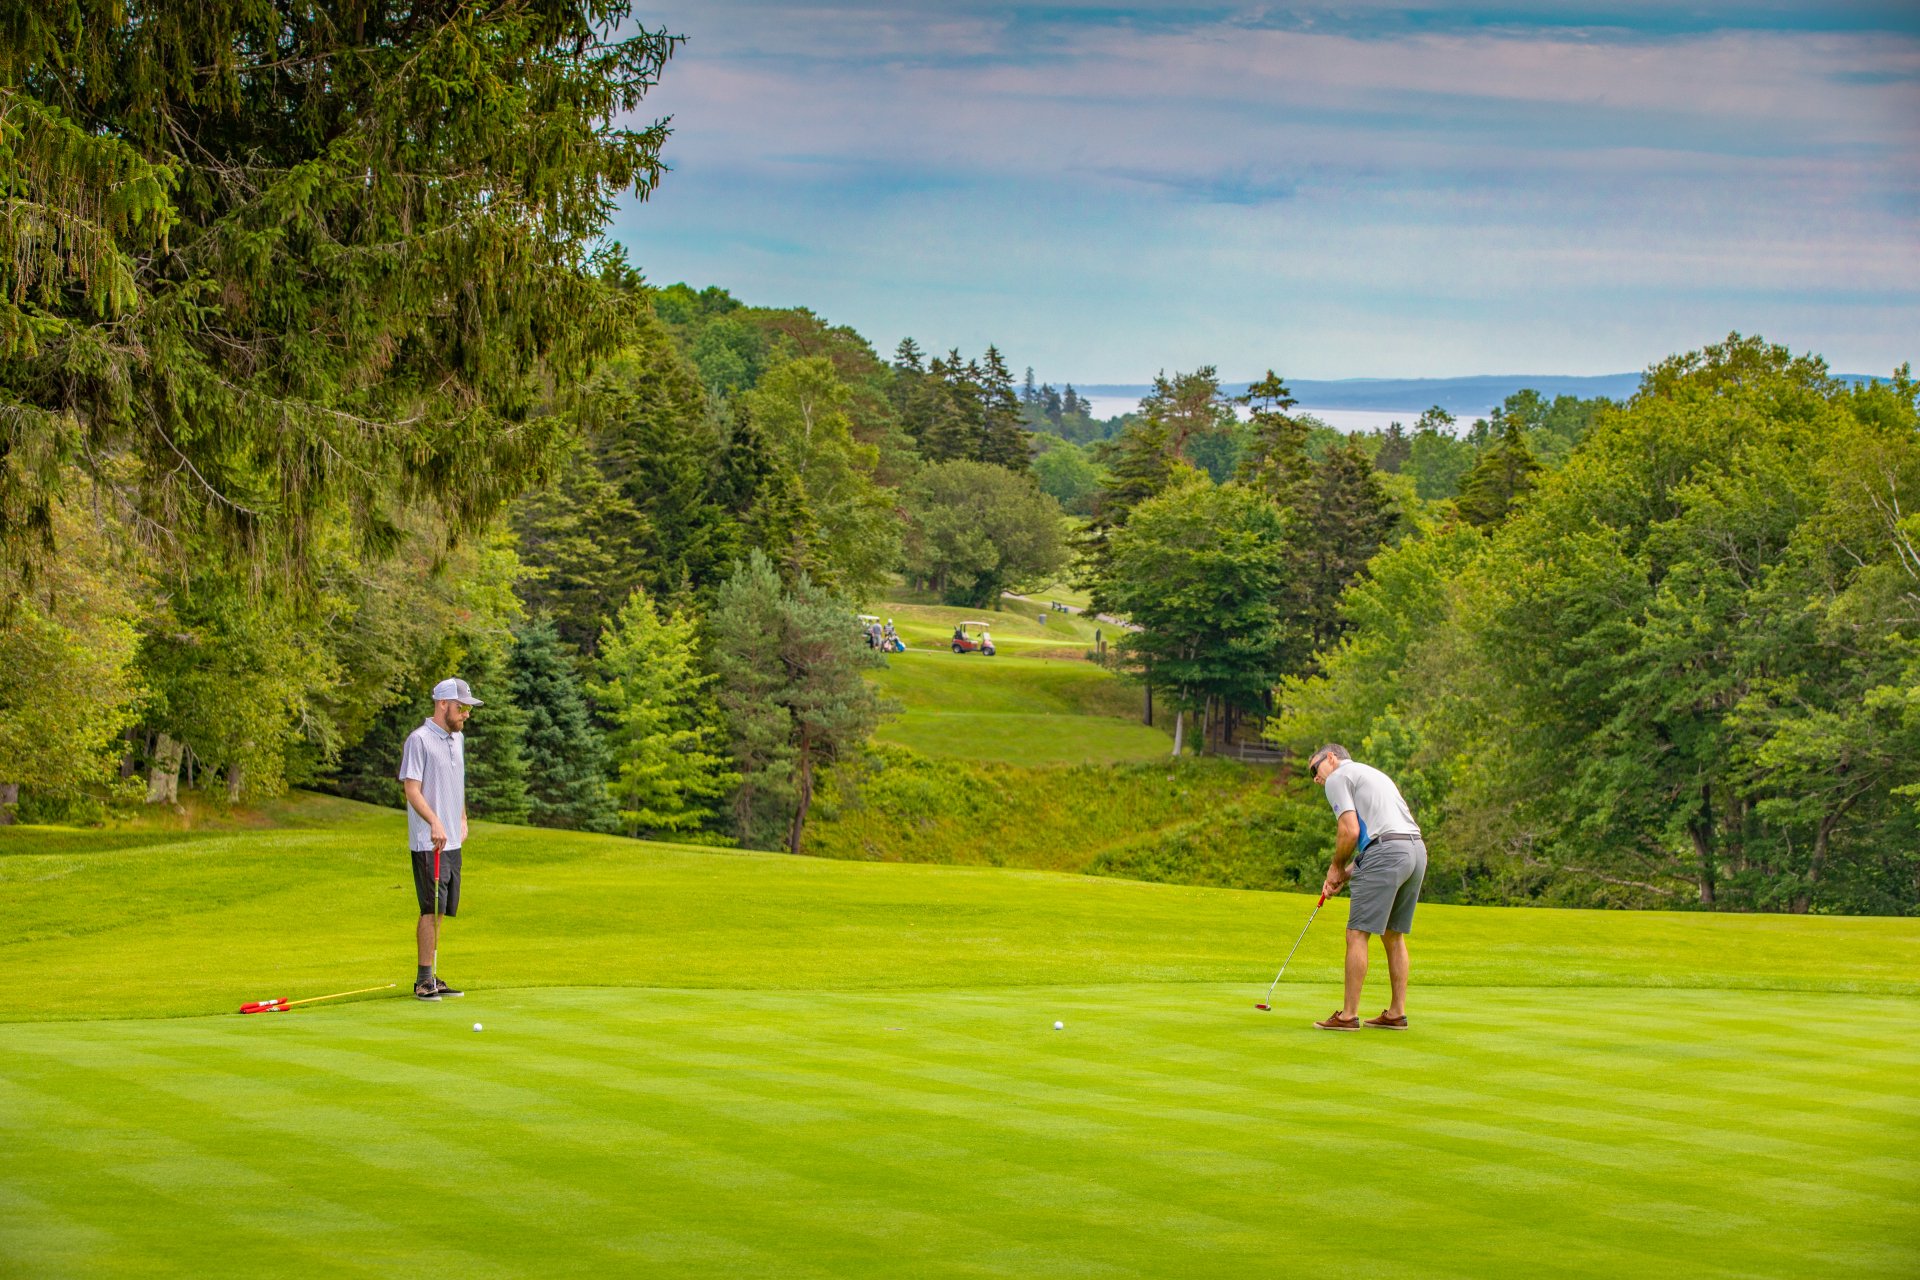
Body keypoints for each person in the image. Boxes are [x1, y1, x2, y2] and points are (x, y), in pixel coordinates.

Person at [1307, 743, 1427, 1031]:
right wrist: (1343, 876)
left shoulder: (1337, 778)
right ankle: (1396, 1013)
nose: (1315, 778)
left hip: (1387, 852)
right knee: (1393, 934)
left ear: (1332, 758)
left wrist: (1335, 867)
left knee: (1357, 933)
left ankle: (1348, 1015)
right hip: (1415, 851)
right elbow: (1374, 844)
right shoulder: (1373, 774)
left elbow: (1350, 831)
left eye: (1315, 769)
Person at [399, 677, 482, 1002]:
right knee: (429, 909)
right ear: (443, 704)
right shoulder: (418, 741)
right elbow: (411, 789)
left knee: (443, 908)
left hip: (451, 840)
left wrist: (460, 817)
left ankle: (433, 975)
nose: (466, 715)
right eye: (461, 708)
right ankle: (422, 981)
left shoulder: (456, 740)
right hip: (428, 840)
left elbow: (456, 783)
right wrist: (434, 821)